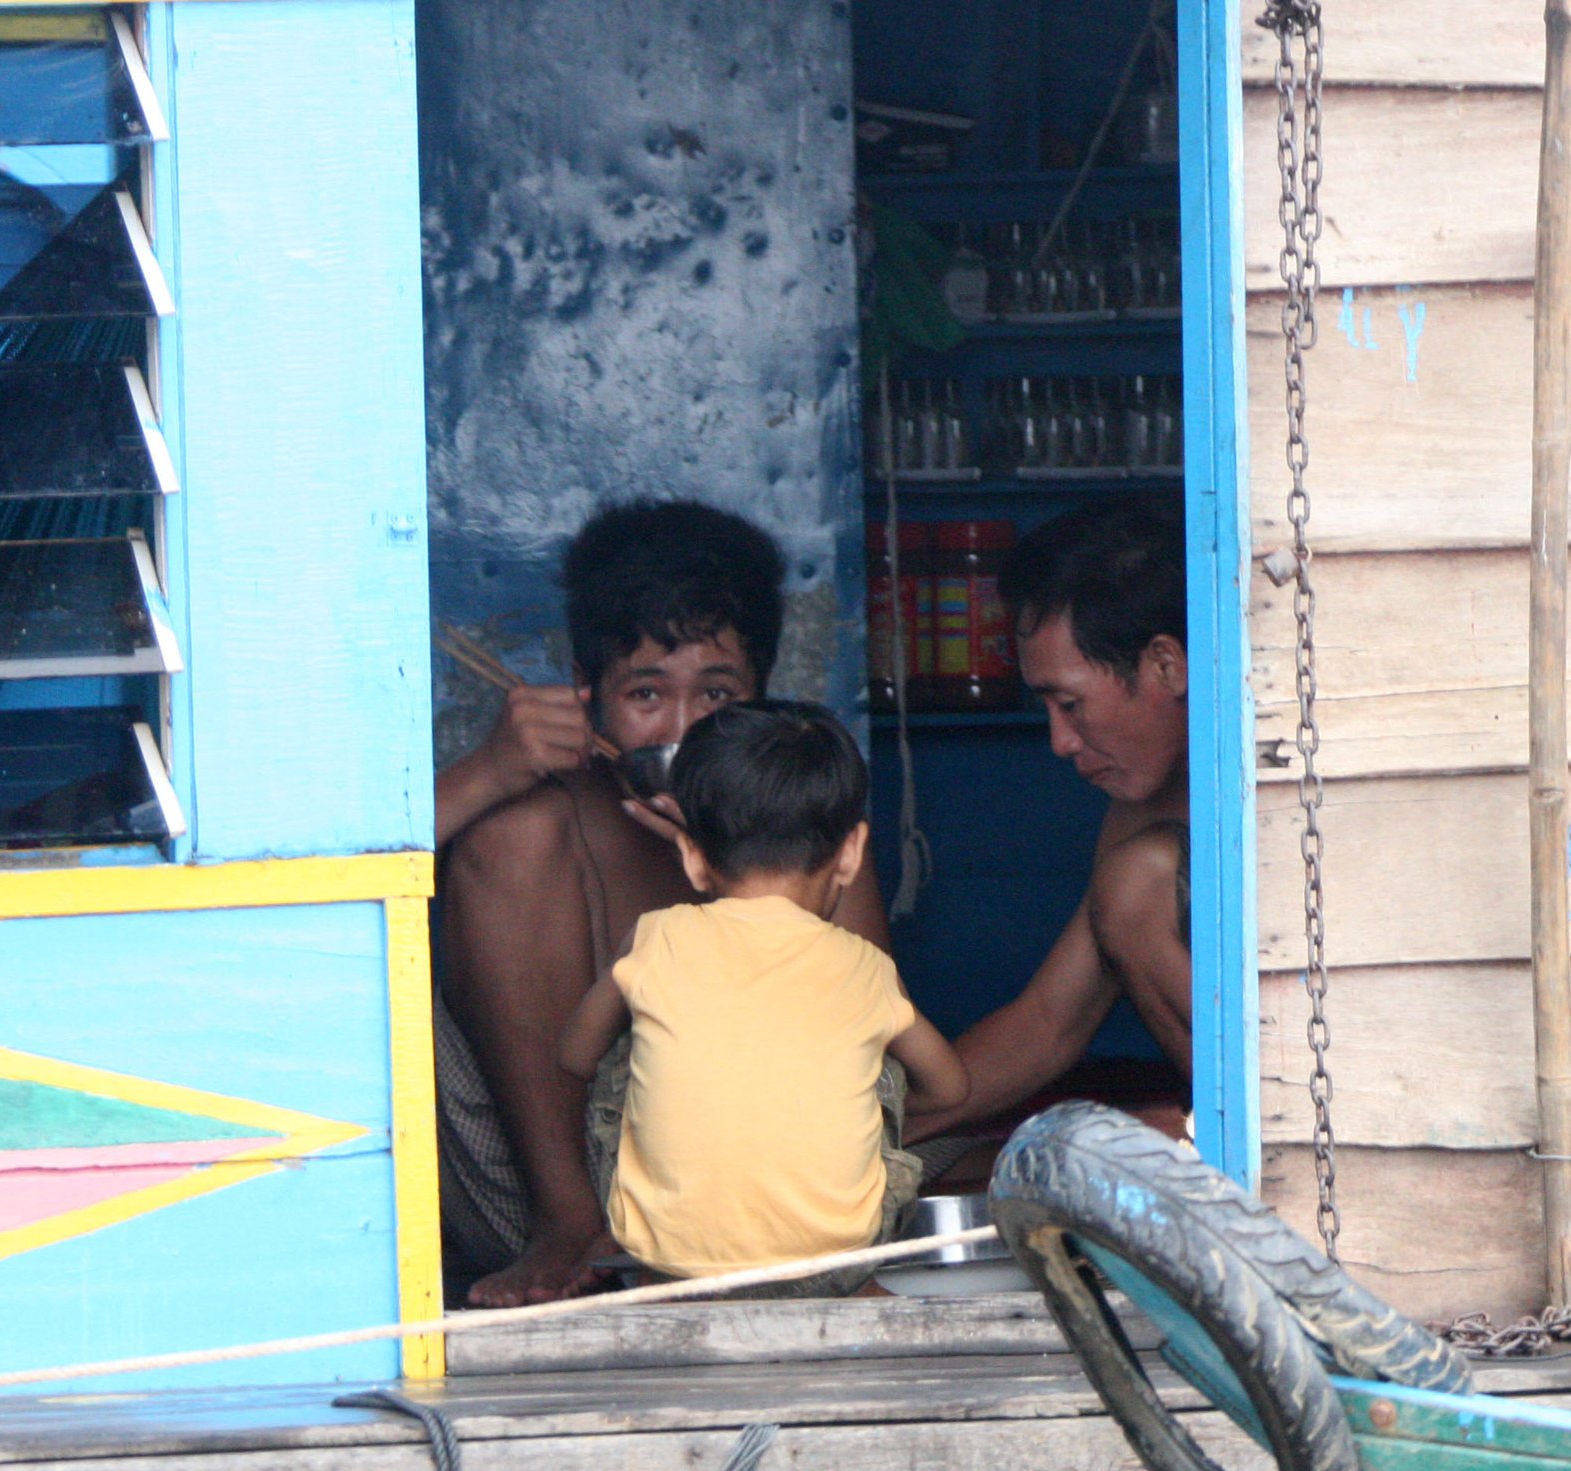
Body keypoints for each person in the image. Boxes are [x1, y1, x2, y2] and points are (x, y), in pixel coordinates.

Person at [434, 501, 892, 1305]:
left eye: (717, 696)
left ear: (762, 696)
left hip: (761, 1187)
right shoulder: (547, 817)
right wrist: (484, 774)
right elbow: (330, 885)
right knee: (509, 834)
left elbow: (868, 1030)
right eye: (647, 692)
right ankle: (568, 1218)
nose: (685, 729)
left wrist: (739, 859)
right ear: (589, 699)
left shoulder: (805, 826)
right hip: (537, 1191)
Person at [557, 702, 966, 1295]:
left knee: (628, 1045)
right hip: (834, 1259)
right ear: (851, 852)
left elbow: (574, 1057)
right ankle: (854, 1280)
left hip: (675, 1266)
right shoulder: (867, 967)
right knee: (879, 1054)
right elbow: (953, 1088)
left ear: (693, 857)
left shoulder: (653, 939)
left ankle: (651, 1252)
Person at [907, 491, 1192, 1140]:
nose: (1060, 742)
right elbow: (1048, 1022)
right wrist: (861, 1133)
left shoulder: (1285, 774)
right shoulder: (1138, 808)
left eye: (1070, 703)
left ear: (1165, 664)